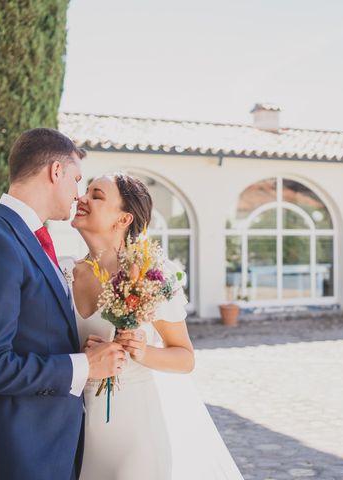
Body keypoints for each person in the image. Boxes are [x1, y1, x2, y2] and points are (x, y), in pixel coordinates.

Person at [0, 128, 126, 480]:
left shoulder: (27, 239)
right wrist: (83, 366)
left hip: (49, 450)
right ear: (55, 172)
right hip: (15, 456)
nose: (78, 194)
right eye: (77, 179)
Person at [64, 172, 244, 479]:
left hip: (139, 437)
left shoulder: (151, 275)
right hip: (80, 435)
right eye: (85, 192)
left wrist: (142, 351)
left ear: (123, 219)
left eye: (96, 195)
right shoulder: (64, 272)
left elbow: (185, 357)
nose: (81, 198)